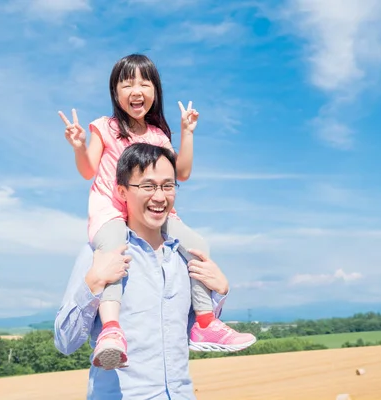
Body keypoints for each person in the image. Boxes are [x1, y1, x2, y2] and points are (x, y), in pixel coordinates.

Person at [58, 53, 256, 370]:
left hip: (155, 214)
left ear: (155, 91)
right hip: (112, 211)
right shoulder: (104, 127)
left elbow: (183, 173)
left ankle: (205, 321)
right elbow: (87, 170)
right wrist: (80, 146)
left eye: (144, 82)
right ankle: (111, 330)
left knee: (198, 246)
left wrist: (187, 132)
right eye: (127, 83)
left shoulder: (157, 136)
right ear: (115, 91)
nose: (136, 90)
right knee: (113, 252)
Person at [54, 143, 254, 399]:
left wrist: (219, 293)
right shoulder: (100, 254)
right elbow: (65, 342)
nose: (160, 197)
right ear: (122, 192)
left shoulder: (185, 257)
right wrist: (92, 284)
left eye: (168, 186)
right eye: (147, 186)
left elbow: (190, 333)